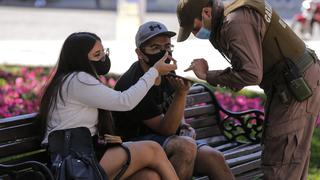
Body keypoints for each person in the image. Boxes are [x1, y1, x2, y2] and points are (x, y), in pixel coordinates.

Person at [176, 0, 320, 179]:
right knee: (292, 160)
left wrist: (207, 75)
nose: (195, 34)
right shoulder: (236, 10)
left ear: (206, 13)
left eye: (195, 28)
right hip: (296, 81)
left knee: (280, 161)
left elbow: (251, 74)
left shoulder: (235, 22)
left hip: (294, 86)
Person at [38, 32, 179, 180]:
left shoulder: (68, 80)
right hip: (76, 162)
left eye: (104, 52)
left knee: (149, 177)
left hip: (82, 156)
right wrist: (154, 72)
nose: (103, 58)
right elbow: (124, 101)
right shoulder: (78, 80)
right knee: (153, 150)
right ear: (81, 59)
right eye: (97, 54)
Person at [112, 21, 235, 180]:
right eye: (155, 48)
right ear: (140, 53)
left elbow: (171, 109)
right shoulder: (133, 83)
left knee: (214, 157)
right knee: (185, 147)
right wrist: (182, 94)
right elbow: (166, 129)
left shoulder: (166, 70)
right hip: (133, 146)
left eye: (167, 47)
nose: (164, 53)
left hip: (162, 143)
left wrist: (183, 125)